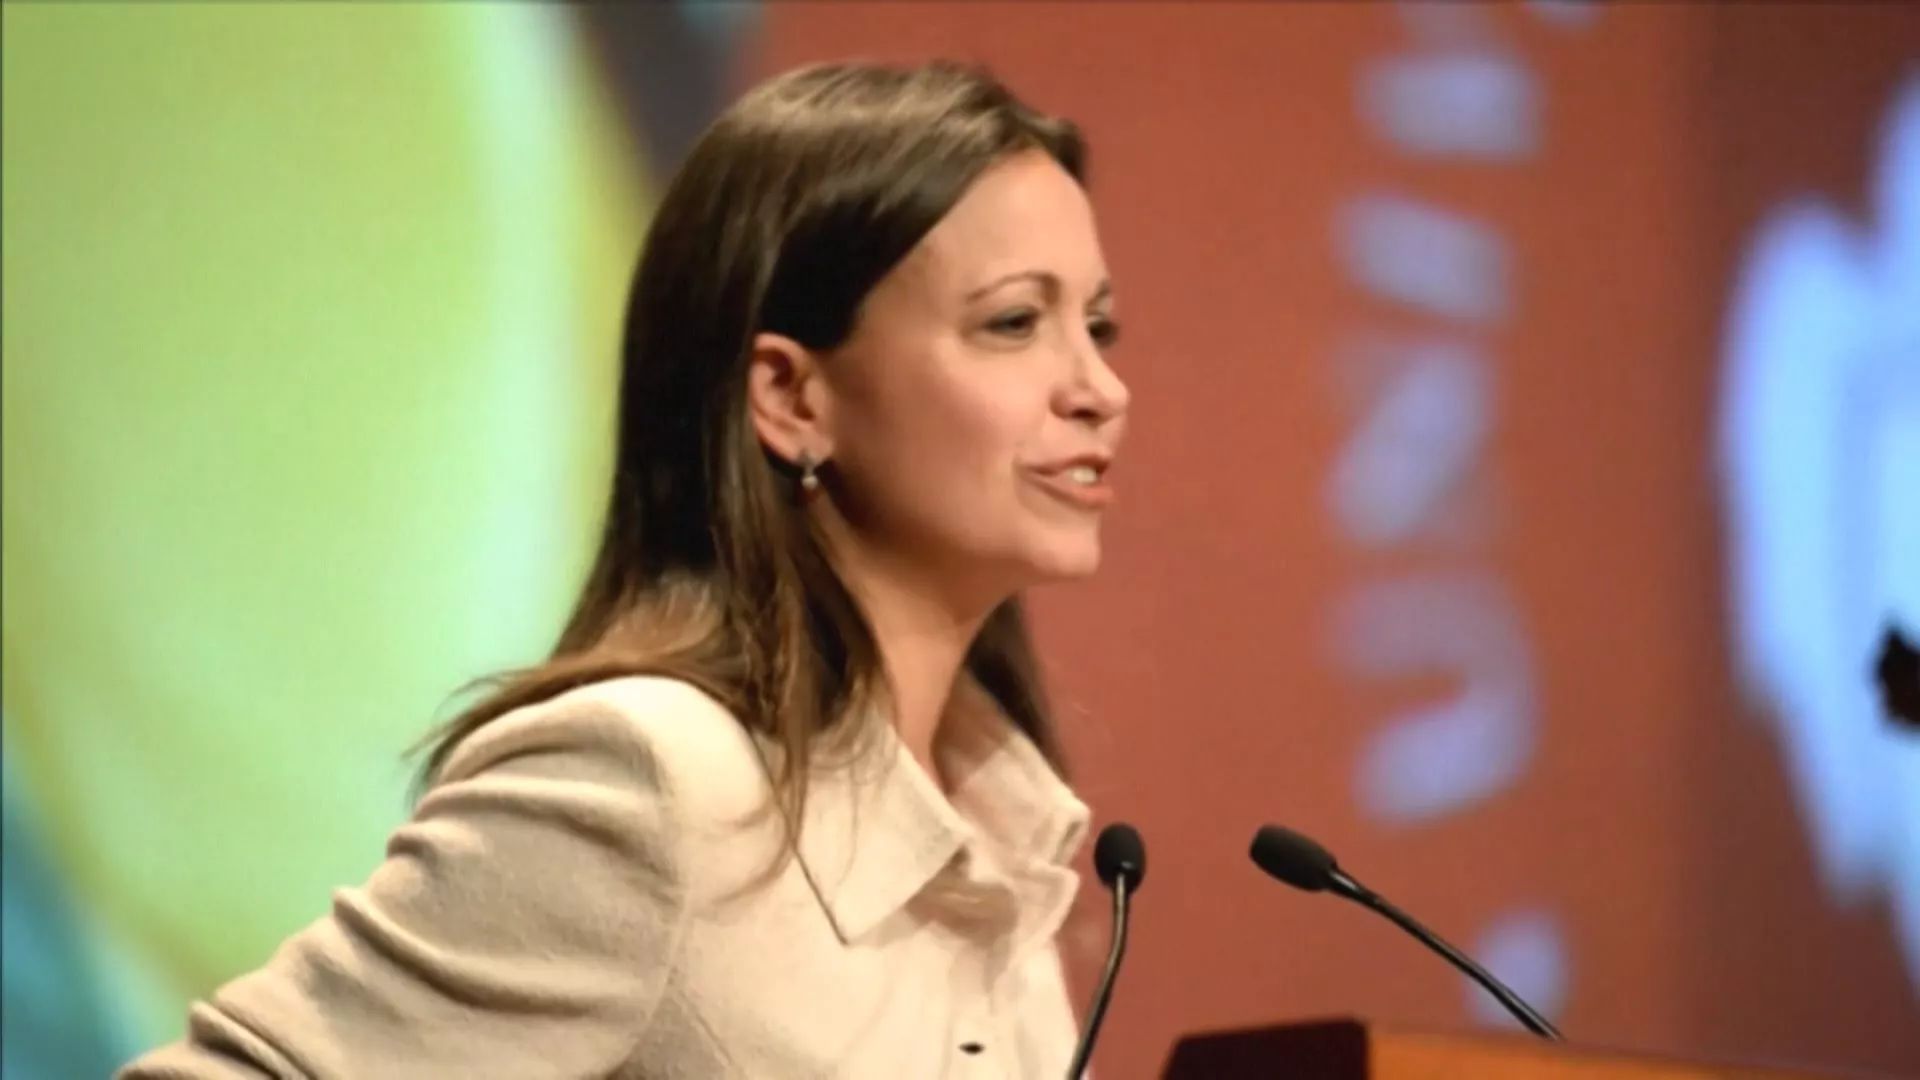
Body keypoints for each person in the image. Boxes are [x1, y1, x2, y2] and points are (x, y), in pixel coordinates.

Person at [119, 58, 1130, 1079]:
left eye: (1097, 326)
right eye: (1013, 323)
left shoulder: (1001, 826)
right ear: (790, 397)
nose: (1099, 388)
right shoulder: (660, 783)